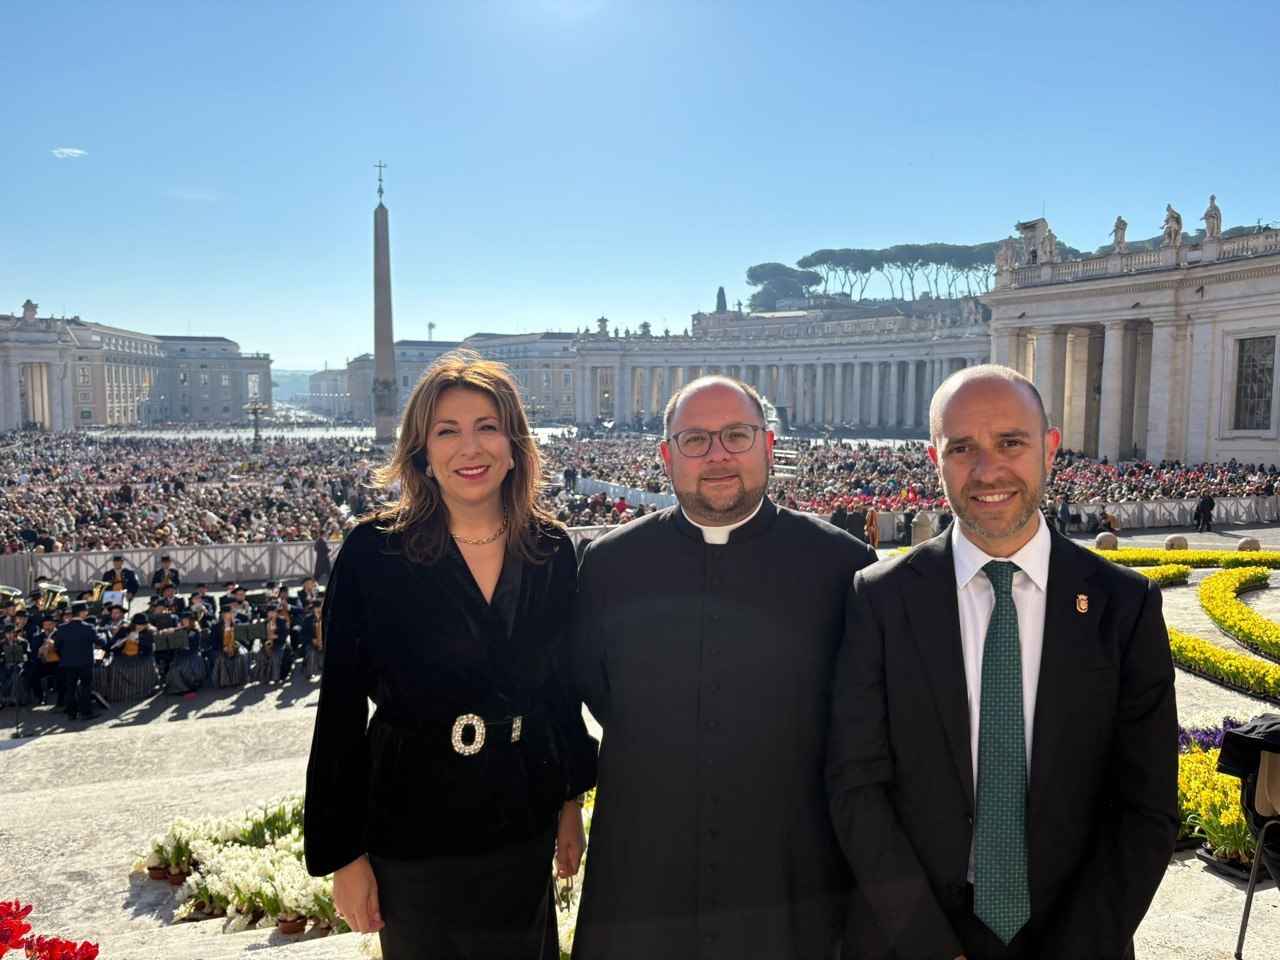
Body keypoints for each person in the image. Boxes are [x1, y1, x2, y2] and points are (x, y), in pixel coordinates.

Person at [827, 365, 1178, 960]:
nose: (987, 470)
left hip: (1077, 936)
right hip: (912, 938)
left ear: (1050, 448)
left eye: (1010, 443)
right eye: (962, 447)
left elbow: (1145, 808)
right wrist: (929, 945)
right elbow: (855, 786)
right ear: (934, 457)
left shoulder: (1126, 604)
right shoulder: (880, 598)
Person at [569, 376, 877, 959]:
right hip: (645, 864)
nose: (717, 455)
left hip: (788, 869)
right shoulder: (609, 566)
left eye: (737, 435)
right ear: (665, 455)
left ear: (768, 444)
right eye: (695, 440)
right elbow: (594, 689)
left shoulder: (842, 566)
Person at [304, 351, 597, 960]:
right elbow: (338, 708)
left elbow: (558, 691)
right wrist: (344, 855)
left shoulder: (549, 549)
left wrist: (569, 798)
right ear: (422, 453)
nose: (471, 448)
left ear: (515, 446)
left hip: (520, 817)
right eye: (447, 431)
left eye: (487, 427)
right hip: (411, 822)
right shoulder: (373, 552)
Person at [54, 602, 99, 720]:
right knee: (85, 687)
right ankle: (86, 712)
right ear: (82, 612)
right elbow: (101, 642)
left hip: (68, 663)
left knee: (70, 688)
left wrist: (64, 656)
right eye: (86, 611)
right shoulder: (89, 627)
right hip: (85, 663)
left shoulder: (62, 628)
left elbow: (57, 647)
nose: (87, 613)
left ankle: (71, 713)